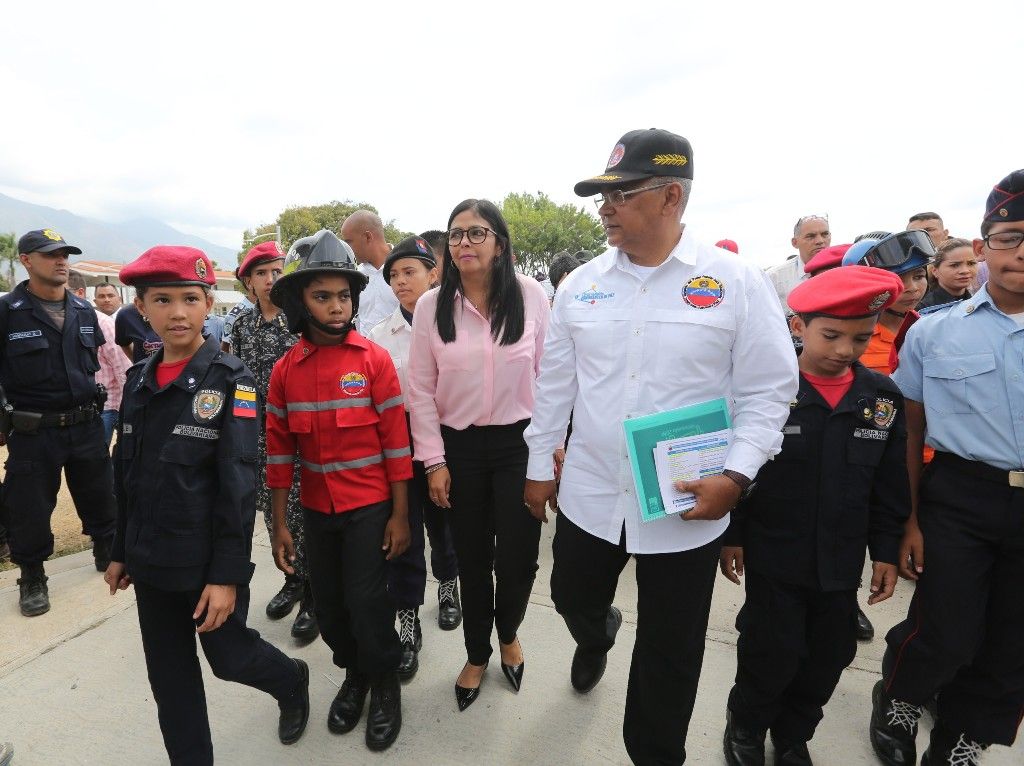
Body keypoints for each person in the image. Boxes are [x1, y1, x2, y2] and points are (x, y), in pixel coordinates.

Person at [523, 128, 799, 765]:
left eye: (621, 194)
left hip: (686, 504)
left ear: (672, 195)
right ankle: (596, 634)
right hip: (592, 493)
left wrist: (737, 476)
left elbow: (769, 391)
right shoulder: (581, 285)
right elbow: (555, 386)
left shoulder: (733, 281)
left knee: (671, 651)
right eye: (604, 196)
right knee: (571, 597)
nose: (605, 207)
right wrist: (539, 464)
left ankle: (654, 754)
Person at [103, 245, 310, 764]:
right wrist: (120, 550)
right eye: (162, 300)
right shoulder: (137, 381)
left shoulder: (231, 381)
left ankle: (291, 679)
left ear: (208, 304)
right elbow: (126, 475)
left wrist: (225, 577)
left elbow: (238, 486)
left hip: (205, 564)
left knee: (230, 659)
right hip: (152, 564)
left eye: (190, 299)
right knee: (170, 683)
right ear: (141, 307)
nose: (178, 312)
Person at [720, 266, 910, 766]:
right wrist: (732, 534)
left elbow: (889, 484)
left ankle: (793, 733)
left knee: (829, 655)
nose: (846, 349)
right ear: (798, 327)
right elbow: (735, 468)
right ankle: (746, 724)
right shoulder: (766, 393)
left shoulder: (881, 398)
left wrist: (885, 551)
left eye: (861, 338)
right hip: (775, 552)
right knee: (771, 649)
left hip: (841, 560)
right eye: (831, 335)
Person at [870, 169, 1024, 766]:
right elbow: (909, 433)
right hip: (961, 494)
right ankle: (900, 695)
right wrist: (907, 520)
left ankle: (965, 734)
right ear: (985, 246)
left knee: (1012, 641)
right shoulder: (934, 334)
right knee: (946, 627)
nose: (1021, 252)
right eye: (1010, 237)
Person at [266, 230, 410, 752]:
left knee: (368, 602)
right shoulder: (285, 372)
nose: (335, 306)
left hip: (370, 508)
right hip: (316, 511)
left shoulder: (374, 361)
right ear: (299, 302)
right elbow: (278, 454)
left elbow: (397, 444)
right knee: (329, 605)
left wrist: (400, 515)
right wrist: (279, 524)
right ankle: (355, 675)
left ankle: (385, 682)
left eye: (344, 296)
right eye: (322, 296)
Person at [407, 199, 550, 711]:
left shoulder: (530, 296)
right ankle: (476, 652)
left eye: (476, 233)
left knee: (518, 557)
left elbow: (549, 377)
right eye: (456, 234)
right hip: (459, 448)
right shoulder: (431, 306)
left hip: (520, 444)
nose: (464, 242)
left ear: (500, 244)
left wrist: (551, 451)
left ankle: (508, 633)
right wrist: (434, 460)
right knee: (471, 558)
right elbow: (420, 389)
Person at [0, 229, 117, 617]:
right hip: (34, 431)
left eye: (64, 254)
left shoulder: (84, 310)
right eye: (51, 254)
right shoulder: (8, 311)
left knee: (100, 493)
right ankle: (32, 575)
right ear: (26, 261)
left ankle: (106, 549)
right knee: (29, 506)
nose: (61, 261)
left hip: (85, 424)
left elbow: (96, 366)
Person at [368, 235, 462, 680]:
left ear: (433, 274)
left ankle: (448, 586)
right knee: (402, 531)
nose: (400, 281)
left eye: (409, 271)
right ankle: (407, 619)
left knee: (443, 521)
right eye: (393, 275)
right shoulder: (378, 337)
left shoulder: (455, 324)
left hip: (444, 437)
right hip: (397, 438)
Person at [228, 241, 316, 642]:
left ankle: (314, 592)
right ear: (248, 282)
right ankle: (292, 579)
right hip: (261, 439)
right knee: (275, 516)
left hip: (301, 435)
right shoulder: (241, 326)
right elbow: (240, 385)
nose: (269, 280)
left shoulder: (300, 320)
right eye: (261, 273)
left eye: (276, 272)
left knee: (306, 513)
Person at [842, 231, 933, 376]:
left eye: (919, 276)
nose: (913, 288)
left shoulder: (930, 328)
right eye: (898, 279)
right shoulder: (847, 341)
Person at [67, 271, 129, 447]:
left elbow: (122, 365)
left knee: (100, 455)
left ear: (79, 293)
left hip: (108, 405)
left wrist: (128, 404)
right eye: (101, 296)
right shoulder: (70, 322)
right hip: (83, 406)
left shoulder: (102, 323)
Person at [339, 209, 399, 333]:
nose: (346, 250)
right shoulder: (354, 276)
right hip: (364, 345)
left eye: (349, 242)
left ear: (368, 237)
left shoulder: (408, 270)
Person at [766, 215, 831, 306]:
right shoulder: (774, 278)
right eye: (811, 236)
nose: (820, 241)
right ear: (795, 242)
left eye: (825, 234)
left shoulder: (844, 269)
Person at [917, 237, 978, 310]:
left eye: (971, 263)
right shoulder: (922, 308)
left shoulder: (979, 302)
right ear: (935, 271)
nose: (965, 271)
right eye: (954, 265)